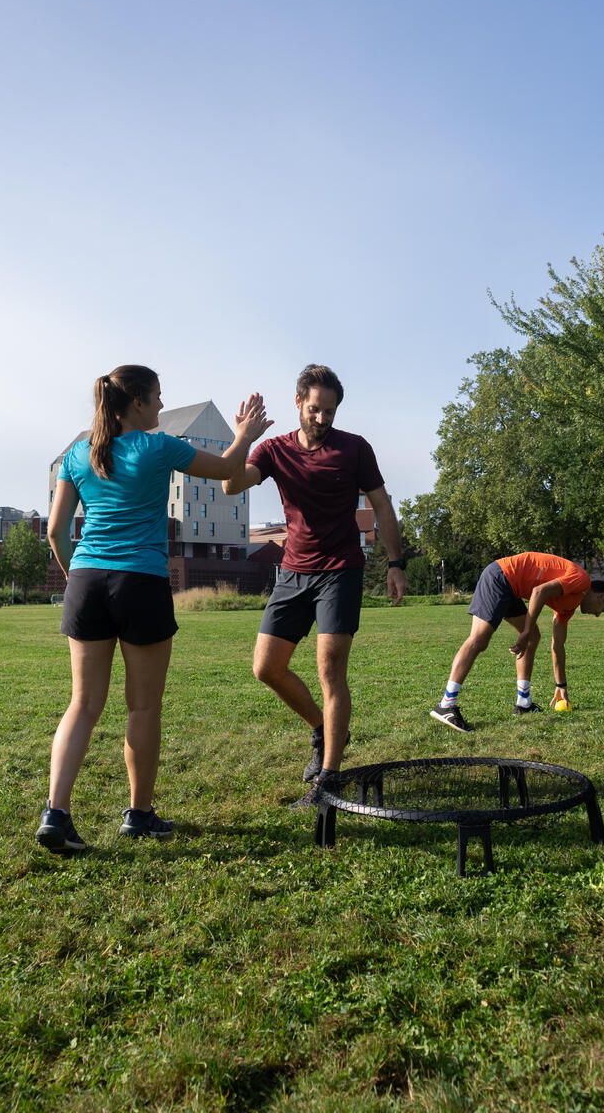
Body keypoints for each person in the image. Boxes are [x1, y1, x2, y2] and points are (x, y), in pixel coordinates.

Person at [36, 366, 271, 853]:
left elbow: (57, 532)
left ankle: (55, 814)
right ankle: (139, 814)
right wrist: (245, 434)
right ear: (138, 403)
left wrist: (77, 574)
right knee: (142, 706)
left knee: (82, 704)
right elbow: (229, 471)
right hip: (140, 582)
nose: (163, 406)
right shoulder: (158, 446)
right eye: (159, 398)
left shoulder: (78, 454)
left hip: (85, 581)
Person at [222, 364, 407, 795]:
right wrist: (242, 439)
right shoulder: (272, 450)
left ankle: (329, 778)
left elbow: (381, 505)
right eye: (314, 409)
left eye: (330, 411)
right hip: (292, 571)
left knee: (330, 673)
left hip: (340, 571)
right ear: (298, 402)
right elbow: (232, 487)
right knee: (266, 668)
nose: (322, 419)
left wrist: (396, 562)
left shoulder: (355, 449)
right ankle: (327, 729)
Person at [429, 552, 604, 732]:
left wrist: (561, 686)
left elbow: (557, 646)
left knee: (533, 638)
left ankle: (523, 702)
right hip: (500, 576)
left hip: (511, 587)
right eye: (603, 609)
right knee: (480, 639)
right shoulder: (581, 580)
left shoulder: (569, 607)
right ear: (601, 596)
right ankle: (446, 704)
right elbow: (539, 591)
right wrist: (525, 630)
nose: (598, 614)